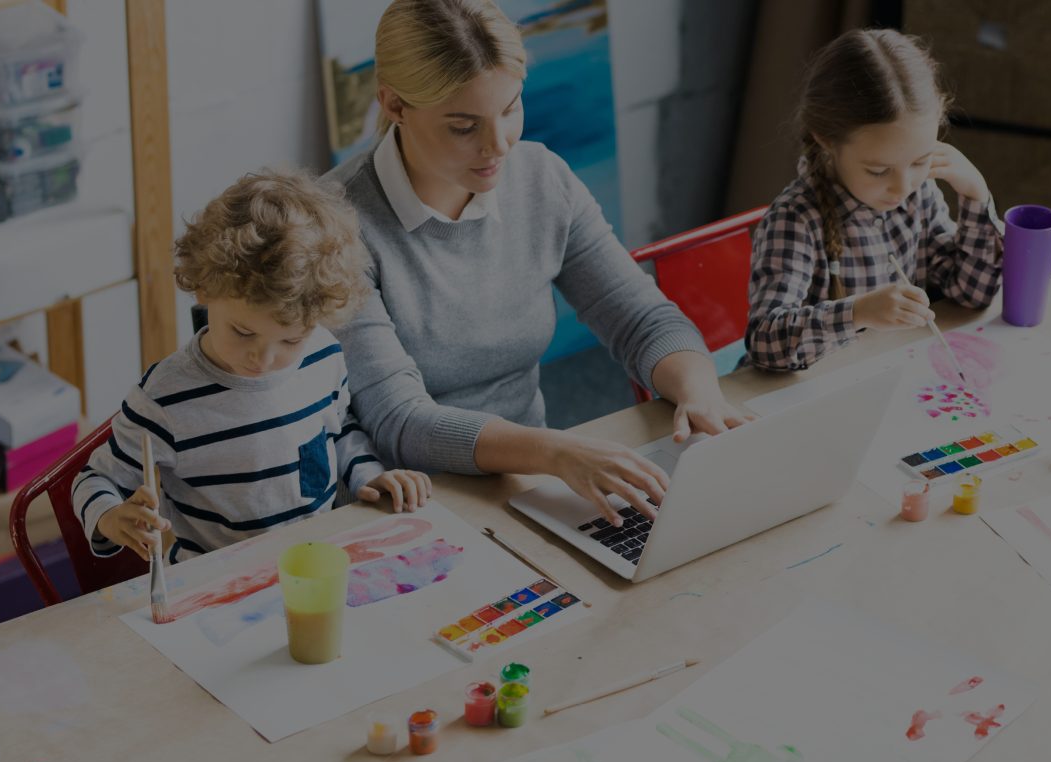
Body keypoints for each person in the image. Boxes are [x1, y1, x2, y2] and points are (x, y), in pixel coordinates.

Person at [324, 0, 750, 529]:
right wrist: (556, 452)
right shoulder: (333, 226)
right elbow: (399, 420)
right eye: (464, 126)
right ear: (394, 105)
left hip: (529, 482)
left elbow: (642, 318)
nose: (499, 145)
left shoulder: (542, 179)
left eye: (510, 109)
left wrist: (698, 389)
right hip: (404, 505)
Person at [74, 170, 431, 563]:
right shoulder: (163, 399)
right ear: (205, 289)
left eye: (291, 340)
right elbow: (95, 479)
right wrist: (109, 517)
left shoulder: (322, 355)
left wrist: (369, 475)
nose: (262, 359)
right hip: (214, 583)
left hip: (309, 565)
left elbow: (338, 426)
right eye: (243, 332)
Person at [746, 28, 1004, 372]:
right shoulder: (796, 219)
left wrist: (976, 196)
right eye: (879, 171)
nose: (902, 187)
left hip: (888, 376)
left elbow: (973, 293)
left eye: (919, 161)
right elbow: (765, 343)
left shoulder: (920, 193)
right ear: (826, 140)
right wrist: (858, 313)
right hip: (813, 397)